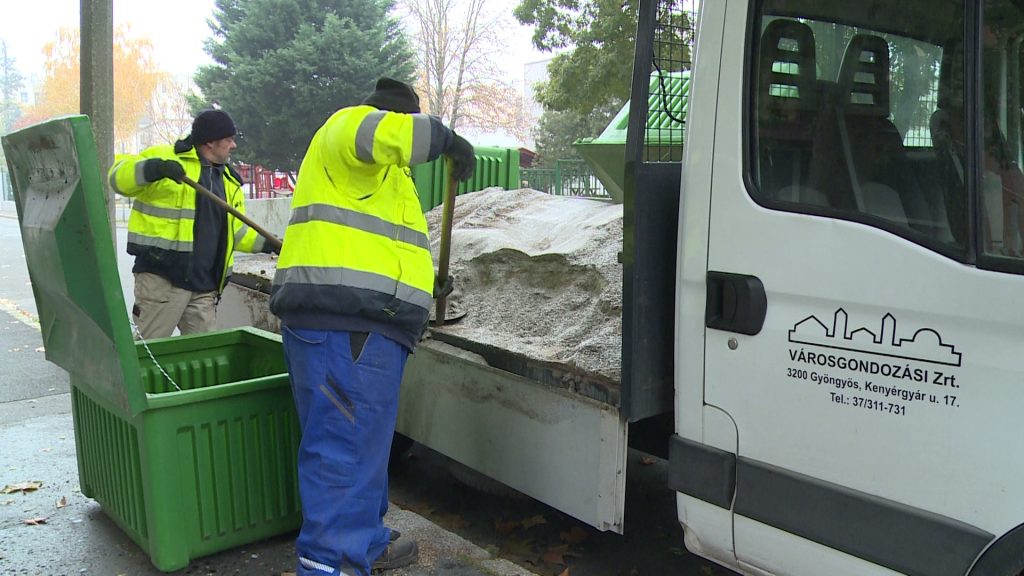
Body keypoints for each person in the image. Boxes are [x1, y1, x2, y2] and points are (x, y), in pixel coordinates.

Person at [269, 77, 475, 575]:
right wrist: (445, 137)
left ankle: (366, 542)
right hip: (347, 330)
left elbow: (381, 250)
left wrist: (423, 286)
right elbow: (383, 133)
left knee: (361, 448)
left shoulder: (386, 179)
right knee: (343, 453)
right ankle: (335, 563)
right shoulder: (348, 126)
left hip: (363, 331)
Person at [108, 109, 276, 339]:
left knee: (203, 357)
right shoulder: (168, 158)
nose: (233, 145)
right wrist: (153, 169)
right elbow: (117, 178)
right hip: (163, 281)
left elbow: (233, 231)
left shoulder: (229, 181)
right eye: (228, 139)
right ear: (210, 142)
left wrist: (268, 243)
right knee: (149, 355)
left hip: (205, 288)